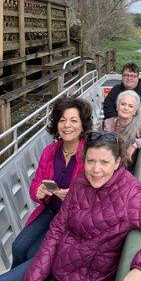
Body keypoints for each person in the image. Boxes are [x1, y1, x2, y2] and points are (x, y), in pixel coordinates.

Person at [0, 131, 141, 281]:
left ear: (117, 162)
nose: (95, 169)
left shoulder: (130, 194)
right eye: (90, 161)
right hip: (53, 264)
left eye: (104, 162)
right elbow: (56, 230)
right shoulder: (80, 182)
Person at [11, 96, 93, 268]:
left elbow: (96, 194)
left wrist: (73, 196)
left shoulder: (90, 154)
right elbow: (36, 184)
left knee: (34, 254)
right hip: (50, 210)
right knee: (18, 247)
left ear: (82, 125)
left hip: (72, 217)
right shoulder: (50, 151)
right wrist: (39, 192)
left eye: (73, 120)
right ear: (56, 124)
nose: (67, 125)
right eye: (62, 120)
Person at [102, 90, 141, 169]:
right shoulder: (105, 124)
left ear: (135, 111)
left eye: (130, 106)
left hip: (124, 171)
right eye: (123, 104)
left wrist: (135, 145)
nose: (126, 108)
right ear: (117, 107)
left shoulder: (139, 126)